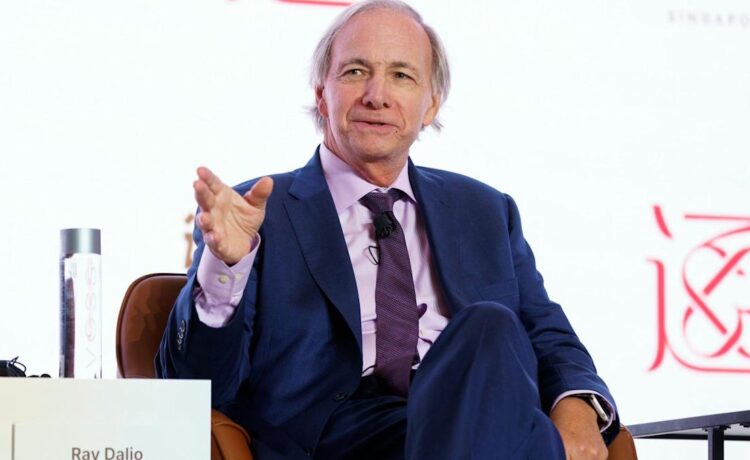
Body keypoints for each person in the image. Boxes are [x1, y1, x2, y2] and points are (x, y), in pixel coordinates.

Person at [157, 1, 619, 459]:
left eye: (401, 75)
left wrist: (577, 405)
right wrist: (227, 266)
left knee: (490, 328)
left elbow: (547, 333)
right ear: (322, 94)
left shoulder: (485, 210)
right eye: (356, 71)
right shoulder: (258, 214)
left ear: (430, 104)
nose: (376, 96)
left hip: (471, 416)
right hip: (337, 438)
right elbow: (197, 385)